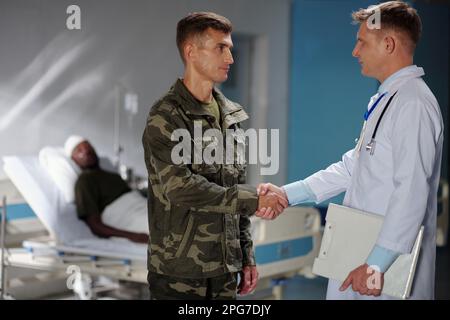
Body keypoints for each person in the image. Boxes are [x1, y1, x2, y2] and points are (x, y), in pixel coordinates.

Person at [257, 1, 443, 300]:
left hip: (384, 269)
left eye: (361, 42)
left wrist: (376, 265)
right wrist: (288, 194)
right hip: (363, 255)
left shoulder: (413, 104)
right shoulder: (388, 100)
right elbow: (353, 167)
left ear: (388, 44)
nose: (356, 52)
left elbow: (411, 192)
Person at [142, 12, 287, 300]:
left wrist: (246, 255)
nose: (230, 58)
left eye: (230, 48)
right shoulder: (166, 116)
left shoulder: (231, 115)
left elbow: (234, 186)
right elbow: (180, 187)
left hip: (224, 268)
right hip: (179, 272)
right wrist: (254, 199)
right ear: (191, 52)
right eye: (221, 48)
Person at [65, 135, 149, 244]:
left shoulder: (114, 176)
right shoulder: (84, 182)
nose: (86, 151)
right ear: (74, 160)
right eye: (79, 150)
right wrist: (132, 236)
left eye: (88, 146)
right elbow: (95, 226)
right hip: (128, 219)